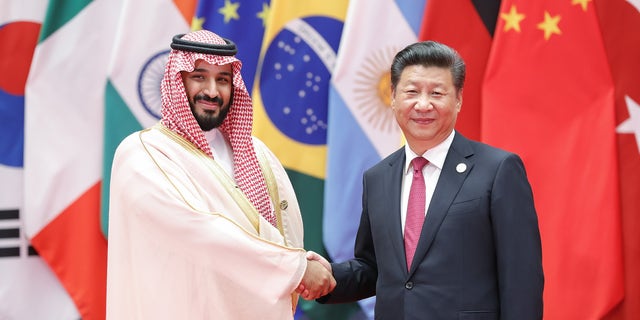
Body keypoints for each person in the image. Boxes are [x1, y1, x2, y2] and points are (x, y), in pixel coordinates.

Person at [106, 30, 334, 320]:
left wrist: (302, 261)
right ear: (178, 81)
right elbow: (196, 231)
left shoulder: (256, 152)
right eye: (199, 77)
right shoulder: (143, 153)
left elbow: (282, 228)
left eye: (222, 80)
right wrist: (295, 268)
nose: (212, 91)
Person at [314, 41, 544, 319]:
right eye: (411, 92)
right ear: (394, 97)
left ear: (458, 99)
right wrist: (326, 275)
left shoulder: (498, 170)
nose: (423, 104)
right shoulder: (377, 178)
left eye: (437, 93)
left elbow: (521, 278)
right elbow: (375, 268)